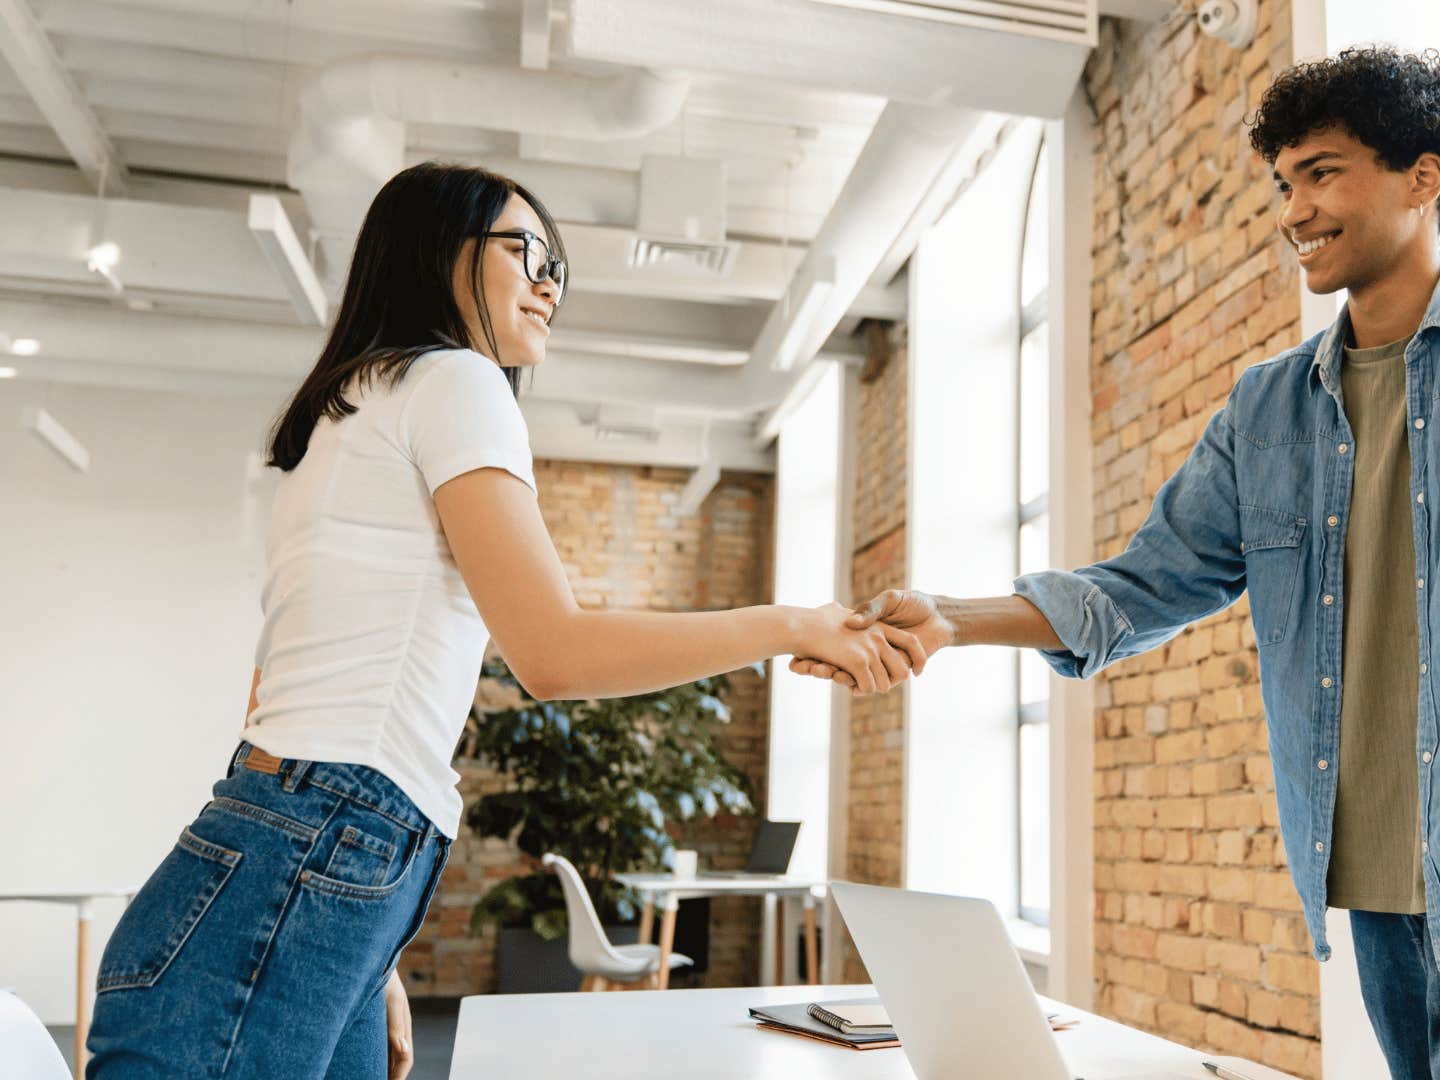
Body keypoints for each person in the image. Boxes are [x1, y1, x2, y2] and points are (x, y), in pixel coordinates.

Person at [793, 46, 1440, 1078]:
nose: (1294, 209)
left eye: (1323, 173)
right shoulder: (1267, 410)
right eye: (1285, 181)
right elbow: (1144, 584)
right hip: (1371, 885)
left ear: (1424, 177)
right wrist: (953, 617)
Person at [86, 161, 926, 1079]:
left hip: (308, 852)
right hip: (316, 848)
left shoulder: (356, 408)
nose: (547, 281)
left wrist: (368, 948)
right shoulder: (453, 379)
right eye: (523, 250)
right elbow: (553, 653)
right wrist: (791, 623)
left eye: (557, 264)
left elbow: (274, 692)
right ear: (435, 251)